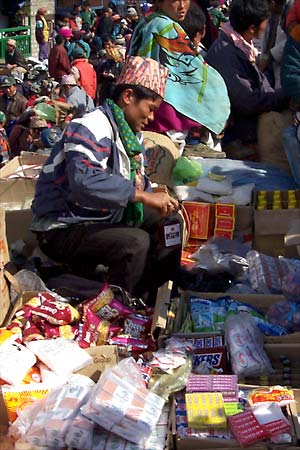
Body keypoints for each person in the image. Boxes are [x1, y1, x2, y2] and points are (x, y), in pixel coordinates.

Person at [31, 56, 181, 305]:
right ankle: (115, 308)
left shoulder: (132, 137)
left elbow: (139, 182)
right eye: (150, 108)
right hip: (62, 227)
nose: (152, 118)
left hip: (101, 218)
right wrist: (143, 196)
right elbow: (84, 182)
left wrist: (156, 197)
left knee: (169, 221)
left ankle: (156, 297)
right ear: (129, 97)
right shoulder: (90, 126)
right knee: (135, 243)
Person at [128, 0, 230, 144]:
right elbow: (192, 70)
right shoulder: (165, 26)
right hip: (163, 112)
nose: (182, 6)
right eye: (175, 1)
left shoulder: (147, 21)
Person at [205, 0, 290, 168]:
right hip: (237, 134)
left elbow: (260, 84)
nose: (266, 27)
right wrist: (284, 95)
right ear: (252, 27)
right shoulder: (226, 54)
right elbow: (247, 101)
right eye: (264, 23)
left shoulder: (237, 46)